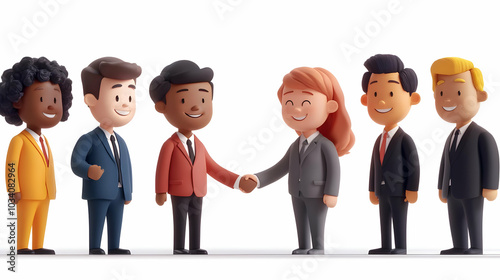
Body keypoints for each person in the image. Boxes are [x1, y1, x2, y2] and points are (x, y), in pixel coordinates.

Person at [240, 67, 355, 255]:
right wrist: (257, 179)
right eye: (289, 102)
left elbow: (334, 169)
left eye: (306, 101)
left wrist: (332, 192)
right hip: (296, 191)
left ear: (330, 106)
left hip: (318, 192)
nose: (296, 109)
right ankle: (303, 245)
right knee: (300, 219)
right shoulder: (296, 145)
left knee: (316, 220)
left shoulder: (325, 145)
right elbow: (280, 167)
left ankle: (318, 247)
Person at [150, 60, 255, 255]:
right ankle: (180, 247)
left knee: (196, 216)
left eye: (204, 100)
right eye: (183, 100)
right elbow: (162, 168)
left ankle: (195, 246)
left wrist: (238, 181)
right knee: (179, 217)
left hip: (198, 190)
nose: (197, 107)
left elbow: (214, 169)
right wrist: (160, 191)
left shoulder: (199, 145)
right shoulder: (169, 145)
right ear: (162, 106)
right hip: (179, 190)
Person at [1, 56, 73, 254]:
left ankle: (38, 245)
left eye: (55, 100)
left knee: (42, 218)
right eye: (42, 99)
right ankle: (22, 245)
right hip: (26, 192)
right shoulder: (19, 140)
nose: (51, 106)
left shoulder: (44, 141)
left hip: (45, 191)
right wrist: (12, 188)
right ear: (17, 102)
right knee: (25, 217)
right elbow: (11, 166)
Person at [71, 57, 141, 255]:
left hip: (119, 193)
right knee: (97, 219)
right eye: (118, 98)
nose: (125, 105)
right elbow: (76, 162)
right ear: (91, 99)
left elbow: (126, 167)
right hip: (99, 190)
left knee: (117, 220)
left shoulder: (122, 141)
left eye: (129, 98)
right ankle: (95, 246)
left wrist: (129, 192)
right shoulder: (89, 139)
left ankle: (114, 246)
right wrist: (88, 171)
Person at [432, 57, 499, 255]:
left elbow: (491, 160)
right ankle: (459, 245)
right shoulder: (451, 136)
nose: (448, 100)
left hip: (473, 188)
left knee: (473, 216)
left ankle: (476, 246)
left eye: (458, 92)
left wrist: (491, 186)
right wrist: (441, 186)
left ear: (480, 95)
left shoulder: (482, 135)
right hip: (452, 189)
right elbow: (445, 163)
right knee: (455, 217)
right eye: (441, 93)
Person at [361, 54, 420, 255]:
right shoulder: (379, 139)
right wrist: (372, 188)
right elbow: (373, 166)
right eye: (375, 94)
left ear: (412, 99)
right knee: (383, 217)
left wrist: (412, 189)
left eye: (391, 94)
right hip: (382, 190)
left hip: (399, 190)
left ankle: (400, 246)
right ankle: (386, 245)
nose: (382, 100)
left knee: (399, 218)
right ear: (365, 99)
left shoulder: (405, 139)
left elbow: (414, 165)